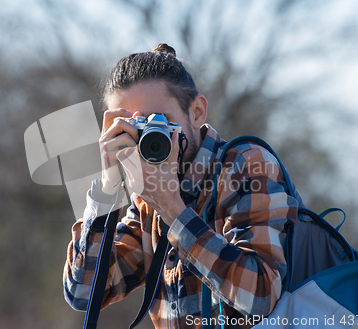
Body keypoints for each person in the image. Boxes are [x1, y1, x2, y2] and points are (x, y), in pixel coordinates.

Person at [63, 43, 301, 328]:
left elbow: (261, 295)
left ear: (197, 112)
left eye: (160, 122)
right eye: (132, 128)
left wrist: (174, 211)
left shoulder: (245, 165)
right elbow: (83, 293)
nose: (148, 138)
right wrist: (107, 187)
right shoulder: (146, 198)